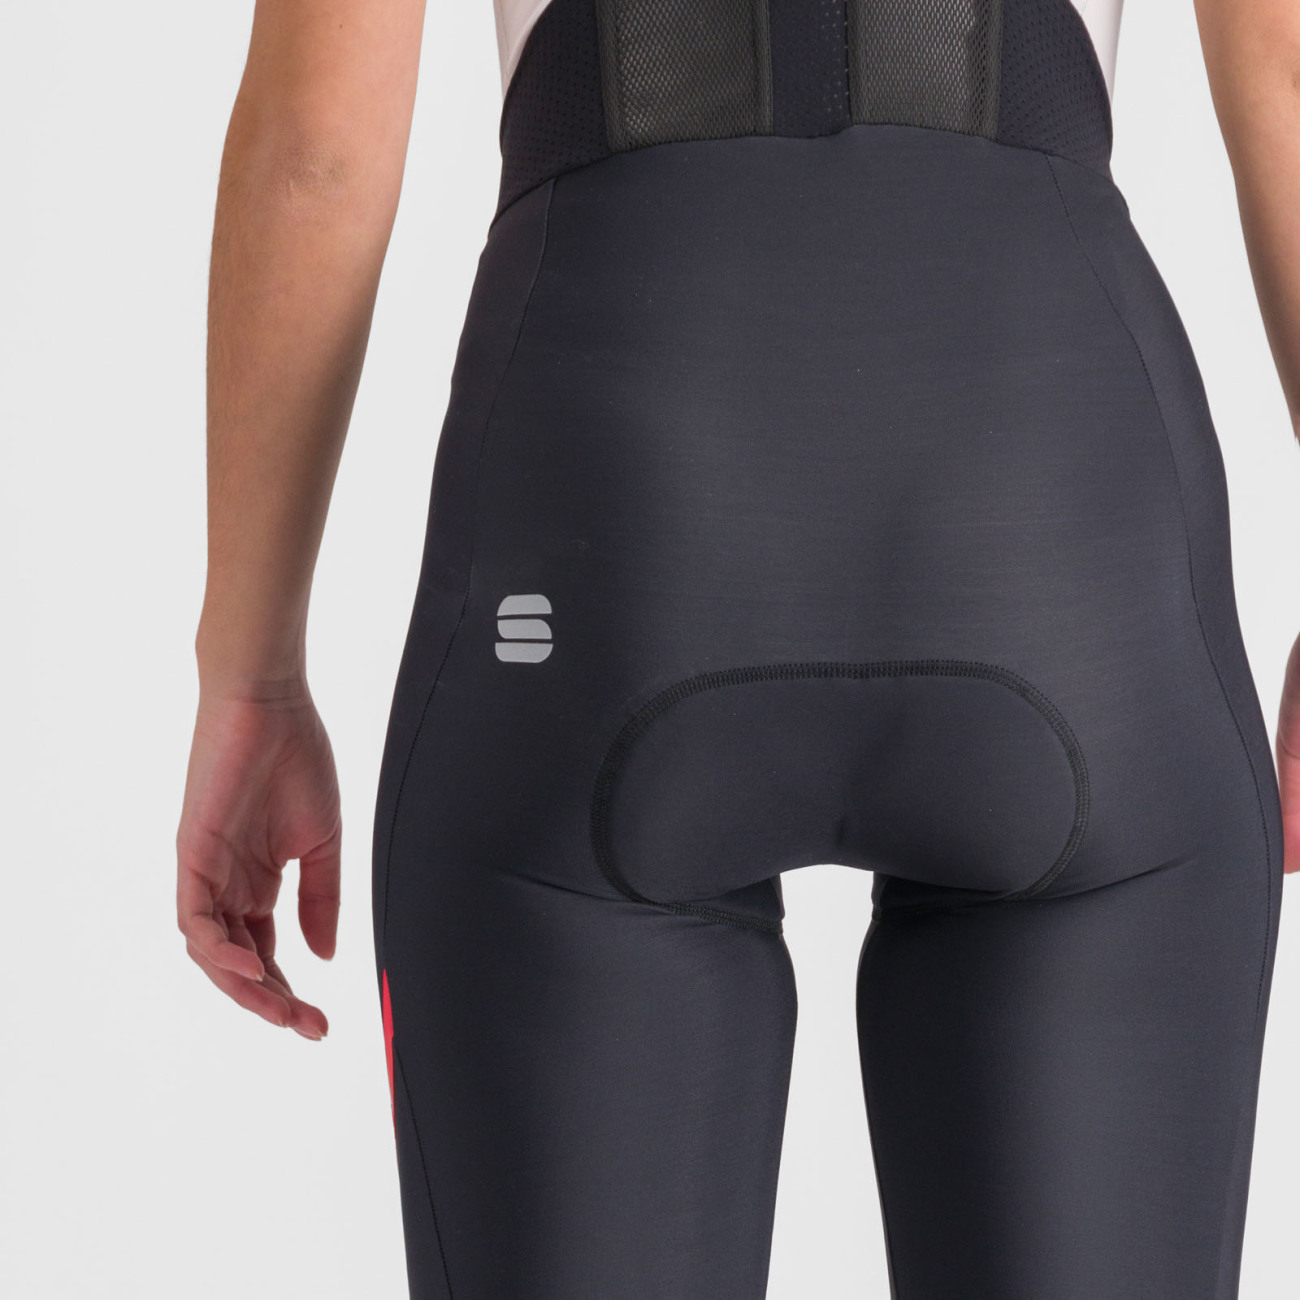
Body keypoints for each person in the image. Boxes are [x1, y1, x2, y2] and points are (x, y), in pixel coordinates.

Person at [176, 1, 1300, 1295]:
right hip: (1063, 527)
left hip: (609, 524)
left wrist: (251, 675)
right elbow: (1283, 71)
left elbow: (315, 150)